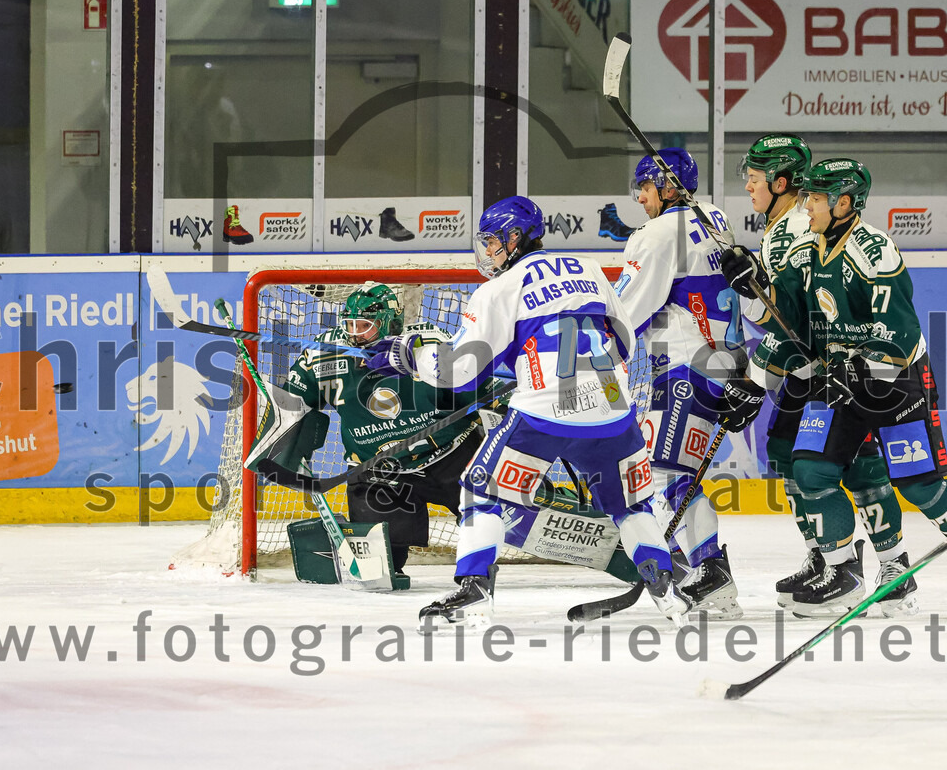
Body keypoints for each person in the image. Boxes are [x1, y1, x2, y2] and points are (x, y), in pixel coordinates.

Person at [366, 195, 693, 627]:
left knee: (481, 490)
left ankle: (474, 591)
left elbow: (460, 372)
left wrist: (411, 354)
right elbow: (624, 340)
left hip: (544, 414)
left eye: (493, 242)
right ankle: (667, 590)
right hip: (613, 410)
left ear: (515, 237)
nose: (488, 251)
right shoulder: (589, 269)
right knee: (631, 506)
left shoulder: (499, 289)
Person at [723, 158, 947, 617]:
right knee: (809, 470)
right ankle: (842, 574)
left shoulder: (873, 251)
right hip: (838, 380)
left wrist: (858, 366)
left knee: (920, 485)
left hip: (893, 382)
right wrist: (753, 284)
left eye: (818, 198)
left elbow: (901, 337)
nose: (807, 206)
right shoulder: (807, 248)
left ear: (845, 203)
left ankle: (902, 562)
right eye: (807, 197)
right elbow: (787, 317)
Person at [254, 282, 487, 574]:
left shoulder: (427, 342)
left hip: (451, 454)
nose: (355, 334)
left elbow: (471, 382)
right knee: (381, 567)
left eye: (364, 326)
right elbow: (294, 401)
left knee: (498, 519)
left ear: (390, 322)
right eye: (350, 325)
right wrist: (281, 437)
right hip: (379, 471)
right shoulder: (323, 352)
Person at [613, 147, 744, 619]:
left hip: (687, 367)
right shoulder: (713, 217)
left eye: (647, 189)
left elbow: (627, 311)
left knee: (667, 475)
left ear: (668, 187)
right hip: (725, 363)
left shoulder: (656, 234)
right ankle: (702, 572)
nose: (642, 200)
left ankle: (709, 573)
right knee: (676, 474)